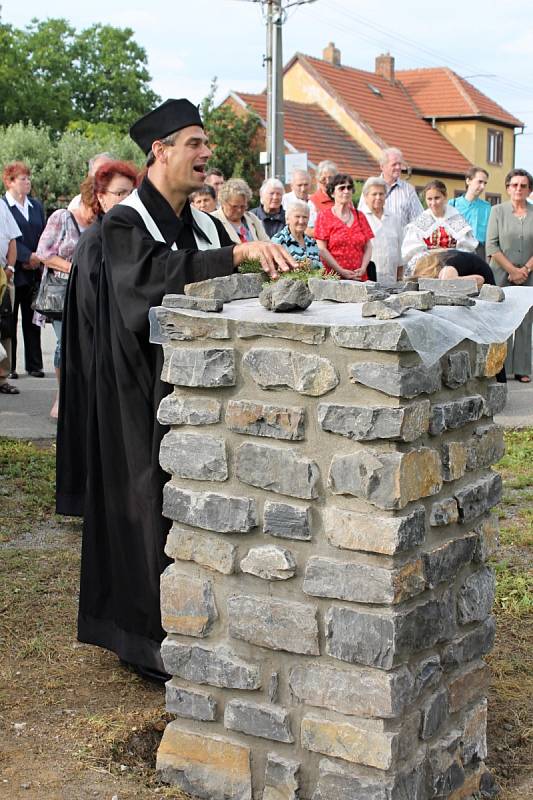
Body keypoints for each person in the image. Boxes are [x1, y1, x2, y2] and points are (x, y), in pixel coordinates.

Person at [66, 98, 294, 682]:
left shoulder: (205, 222)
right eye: (194, 142)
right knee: (142, 508)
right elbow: (149, 283)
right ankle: (144, 641)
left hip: (196, 393)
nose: (206, 152)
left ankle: (204, 625)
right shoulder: (123, 224)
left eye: (206, 143)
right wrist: (234, 254)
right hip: (132, 392)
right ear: (160, 152)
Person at [57, 160, 139, 516]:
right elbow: (92, 307)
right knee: (95, 425)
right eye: (119, 193)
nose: (127, 199)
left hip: (120, 348)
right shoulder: (95, 240)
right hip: (97, 350)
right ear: (100, 198)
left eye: (131, 193)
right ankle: (90, 499)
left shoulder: (126, 235)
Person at [36, 190, 95, 418]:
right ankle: (61, 397)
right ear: (86, 202)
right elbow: (43, 253)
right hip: (60, 294)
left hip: (88, 292)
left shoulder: (99, 223)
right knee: (64, 344)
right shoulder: (62, 217)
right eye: (92, 211)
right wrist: (75, 268)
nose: (94, 217)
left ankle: (80, 396)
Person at [486, 168, 533, 382]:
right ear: (507, 188)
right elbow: (492, 245)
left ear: (529, 189)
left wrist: (526, 269)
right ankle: (499, 367)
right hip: (501, 273)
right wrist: (513, 271)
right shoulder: (498, 211)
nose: (518, 189)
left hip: (530, 274)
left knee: (525, 319)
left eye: (523, 185)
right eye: (514, 185)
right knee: (501, 320)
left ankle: (522, 368)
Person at [402, 180, 495, 286]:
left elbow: (467, 247)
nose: (433, 203)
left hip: (454, 264)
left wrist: (448, 255)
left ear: (445, 196)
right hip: (429, 265)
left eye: (437, 198)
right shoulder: (423, 220)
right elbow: (412, 250)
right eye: (429, 199)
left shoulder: (454, 218)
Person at [2, 162, 46, 379]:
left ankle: (35, 364)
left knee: (32, 319)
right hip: (12, 270)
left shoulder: (35, 206)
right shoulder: (3, 205)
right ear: (9, 182)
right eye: (22, 179)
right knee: (9, 320)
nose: (27, 182)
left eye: (28, 178)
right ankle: (9, 368)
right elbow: (8, 237)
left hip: (34, 271)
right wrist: (26, 256)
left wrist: (38, 257)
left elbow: (44, 232)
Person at [314, 173, 373, 280]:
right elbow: (322, 249)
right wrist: (340, 271)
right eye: (342, 188)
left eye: (349, 188)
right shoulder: (324, 216)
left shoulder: (360, 216)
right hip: (333, 278)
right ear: (332, 193)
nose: (346, 191)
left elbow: (368, 246)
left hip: (359, 277)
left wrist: (364, 267)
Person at [359, 148, 423, 228]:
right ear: (382, 167)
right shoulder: (370, 187)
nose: (398, 167)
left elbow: (419, 220)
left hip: (401, 239)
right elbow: (361, 217)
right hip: (374, 239)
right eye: (394, 164)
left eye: (400, 164)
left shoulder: (408, 190)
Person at [360, 176, 403, 284]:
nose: (378, 197)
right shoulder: (359, 218)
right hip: (368, 280)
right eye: (374, 194)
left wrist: (399, 278)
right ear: (365, 197)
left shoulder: (394, 219)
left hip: (391, 280)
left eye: (381, 194)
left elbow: (400, 252)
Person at [0, 202, 21, 394]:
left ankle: (2, 377)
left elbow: (12, 240)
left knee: (5, 326)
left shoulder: (1, 205)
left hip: (3, 277)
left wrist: (10, 268)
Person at [449, 167, 491, 260]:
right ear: (468, 181)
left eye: (485, 183)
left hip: (480, 251)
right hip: (457, 250)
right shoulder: (452, 204)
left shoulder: (487, 207)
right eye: (479, 182)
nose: (483, 187)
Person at [213, 178, 270, 243]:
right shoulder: (213, 220)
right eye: (234, 206)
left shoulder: (252, 218)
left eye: (243, 206)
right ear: (223, 202)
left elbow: (266, 242)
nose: (239, 210)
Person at [271, 200, 321, 267]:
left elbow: (321, 267)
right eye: (297, 216)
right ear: (287, 219)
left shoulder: (312, 242)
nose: (301, 221)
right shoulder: (278, 241)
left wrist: (313, 264)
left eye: (305, 217)